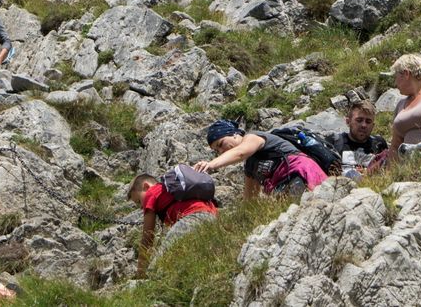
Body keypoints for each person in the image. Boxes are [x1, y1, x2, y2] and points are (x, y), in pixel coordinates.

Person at [193, 120, 327, 199]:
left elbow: (240, 153)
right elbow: (250, 201)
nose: (221, 151)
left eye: (221, 144)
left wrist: (211, 164)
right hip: (289, 189)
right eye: (217, 151)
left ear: (234, 134)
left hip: (304, 174)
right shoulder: (250, 166)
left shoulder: (254, 137)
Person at [128, 173, 217, 278]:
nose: (141, 207)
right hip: (212, 218)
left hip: (191, 220)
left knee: (156, 269)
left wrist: (140, 272)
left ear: (146, 186)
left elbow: (147, 237)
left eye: (139, 201)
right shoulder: (168, 191)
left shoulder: (151, 193)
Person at [329, 100, 388, 176]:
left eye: (368, 122)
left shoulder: (379, 144)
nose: (364, 125)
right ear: (348, 122)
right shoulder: (334, 142)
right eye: (359, 120)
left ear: (373, 126)